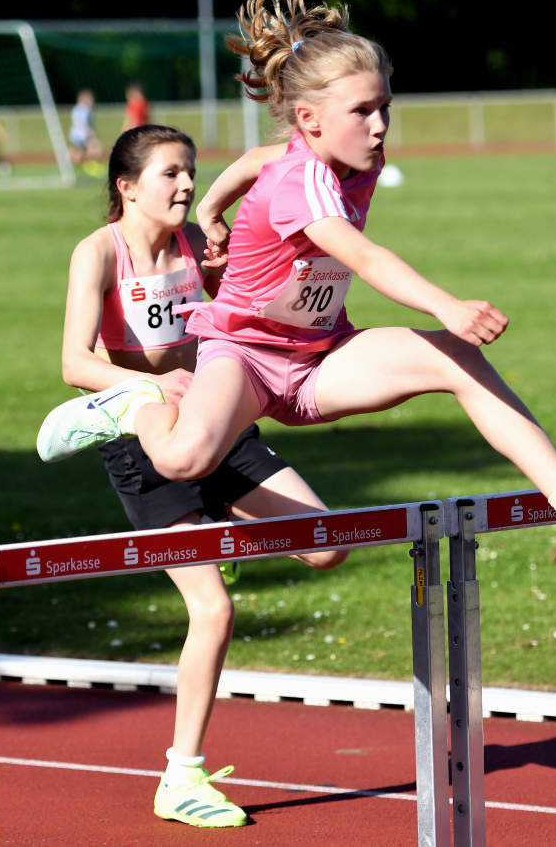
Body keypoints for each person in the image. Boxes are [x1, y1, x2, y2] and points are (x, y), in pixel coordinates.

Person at [39, 0, 556, 578]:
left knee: (457, 358)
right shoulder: (301, 180)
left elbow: (250, 161)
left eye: (385, 108)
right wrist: (445, 303)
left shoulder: (341, 158)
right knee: (183, 459)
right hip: (245, 357)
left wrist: (210, 209)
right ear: (310, 119)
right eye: (362, 112)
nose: (379, 127)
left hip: (320, 356)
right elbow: (363, 256)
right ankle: (131, 407)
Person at [56, 123, 348, 828]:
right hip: (145, 439)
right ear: (126, 187)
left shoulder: (195, 245)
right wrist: (160, 387)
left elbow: (233, 309)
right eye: (170, 175)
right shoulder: (98, 252)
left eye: (191, 172)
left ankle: (218, 529)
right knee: (213, 608)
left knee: (326, 543)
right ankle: (180, 777)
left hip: (216, 426)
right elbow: (73, 362)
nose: (187, 185)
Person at [68, 88, 103, 170]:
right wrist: (92, 136)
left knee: (78, 153)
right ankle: (92, 167)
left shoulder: (76, 108)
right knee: (96, 148)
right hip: (83, 135)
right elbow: (85, 124)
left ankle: (72, 166)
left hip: (75, 135)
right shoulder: (84, 109)